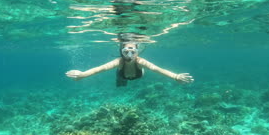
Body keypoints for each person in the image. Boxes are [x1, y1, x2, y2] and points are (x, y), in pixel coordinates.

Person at [66, 42, 194, 86]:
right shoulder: (119, 61)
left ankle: (123, 80)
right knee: (120, 77)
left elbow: (157, 69)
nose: (129, 55)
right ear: (121, 51)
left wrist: (175, 77)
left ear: (137, 52)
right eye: (126, 51)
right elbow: (100, 69)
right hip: (122, 75)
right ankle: (121, 81)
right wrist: (83, 75)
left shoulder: (140, 61)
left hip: (139, 75)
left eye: (133, 51)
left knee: (143, 70)